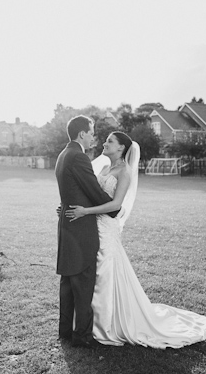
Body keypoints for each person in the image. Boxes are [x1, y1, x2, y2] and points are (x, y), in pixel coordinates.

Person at [65, 131, 206, 348]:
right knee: (92, 274)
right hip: (92, 226)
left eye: (110, 141)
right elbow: (89, 193)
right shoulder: (103, 168)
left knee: (104, 272)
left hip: (106, 228)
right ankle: (89, 322)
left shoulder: (124, 172)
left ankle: (106, 325)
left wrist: (85, 211)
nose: (104, 143)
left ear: (121, 148)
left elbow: (116, 205)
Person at [55, 115, 119, 348]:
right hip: (80, 228)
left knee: (68, 282)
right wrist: (114, 209)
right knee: (82, 283)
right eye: (92, 132)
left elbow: (70, 190)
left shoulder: (63, 155)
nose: (94, 137)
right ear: (82, 134)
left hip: (67, 225)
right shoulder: (79, 157)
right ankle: (81, 336)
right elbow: (92, 190)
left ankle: (65, 331)